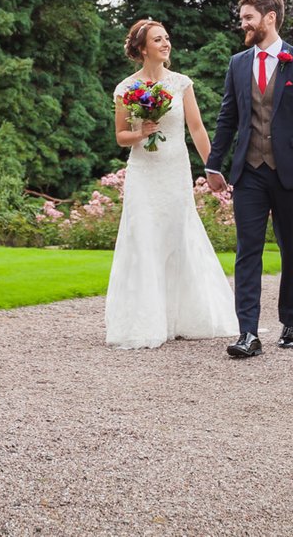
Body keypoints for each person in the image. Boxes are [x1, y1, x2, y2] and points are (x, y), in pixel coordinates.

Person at [204, 0, 293, 358]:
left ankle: (290, 323)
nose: (242, 24)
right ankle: (248, 333)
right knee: (248, 251)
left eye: (248, 17)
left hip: (290, 174)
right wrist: (214, 164)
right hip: (250, 172)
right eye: (242, 18)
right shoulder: (238, 64)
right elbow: (228, 118)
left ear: (269, 17)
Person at [105, 19, 238, 349]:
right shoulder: (126, 89)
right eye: (158, 40)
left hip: (175, 170)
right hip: (143, 172)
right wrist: (141, 133)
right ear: (142, 48)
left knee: (179, 236)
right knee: (144, 238)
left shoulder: (181, 84)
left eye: (167, 38)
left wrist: (213, 168)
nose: (166, 44)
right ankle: (146, 321)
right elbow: (121, 136)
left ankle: (184, 317)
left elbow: (197, 128)